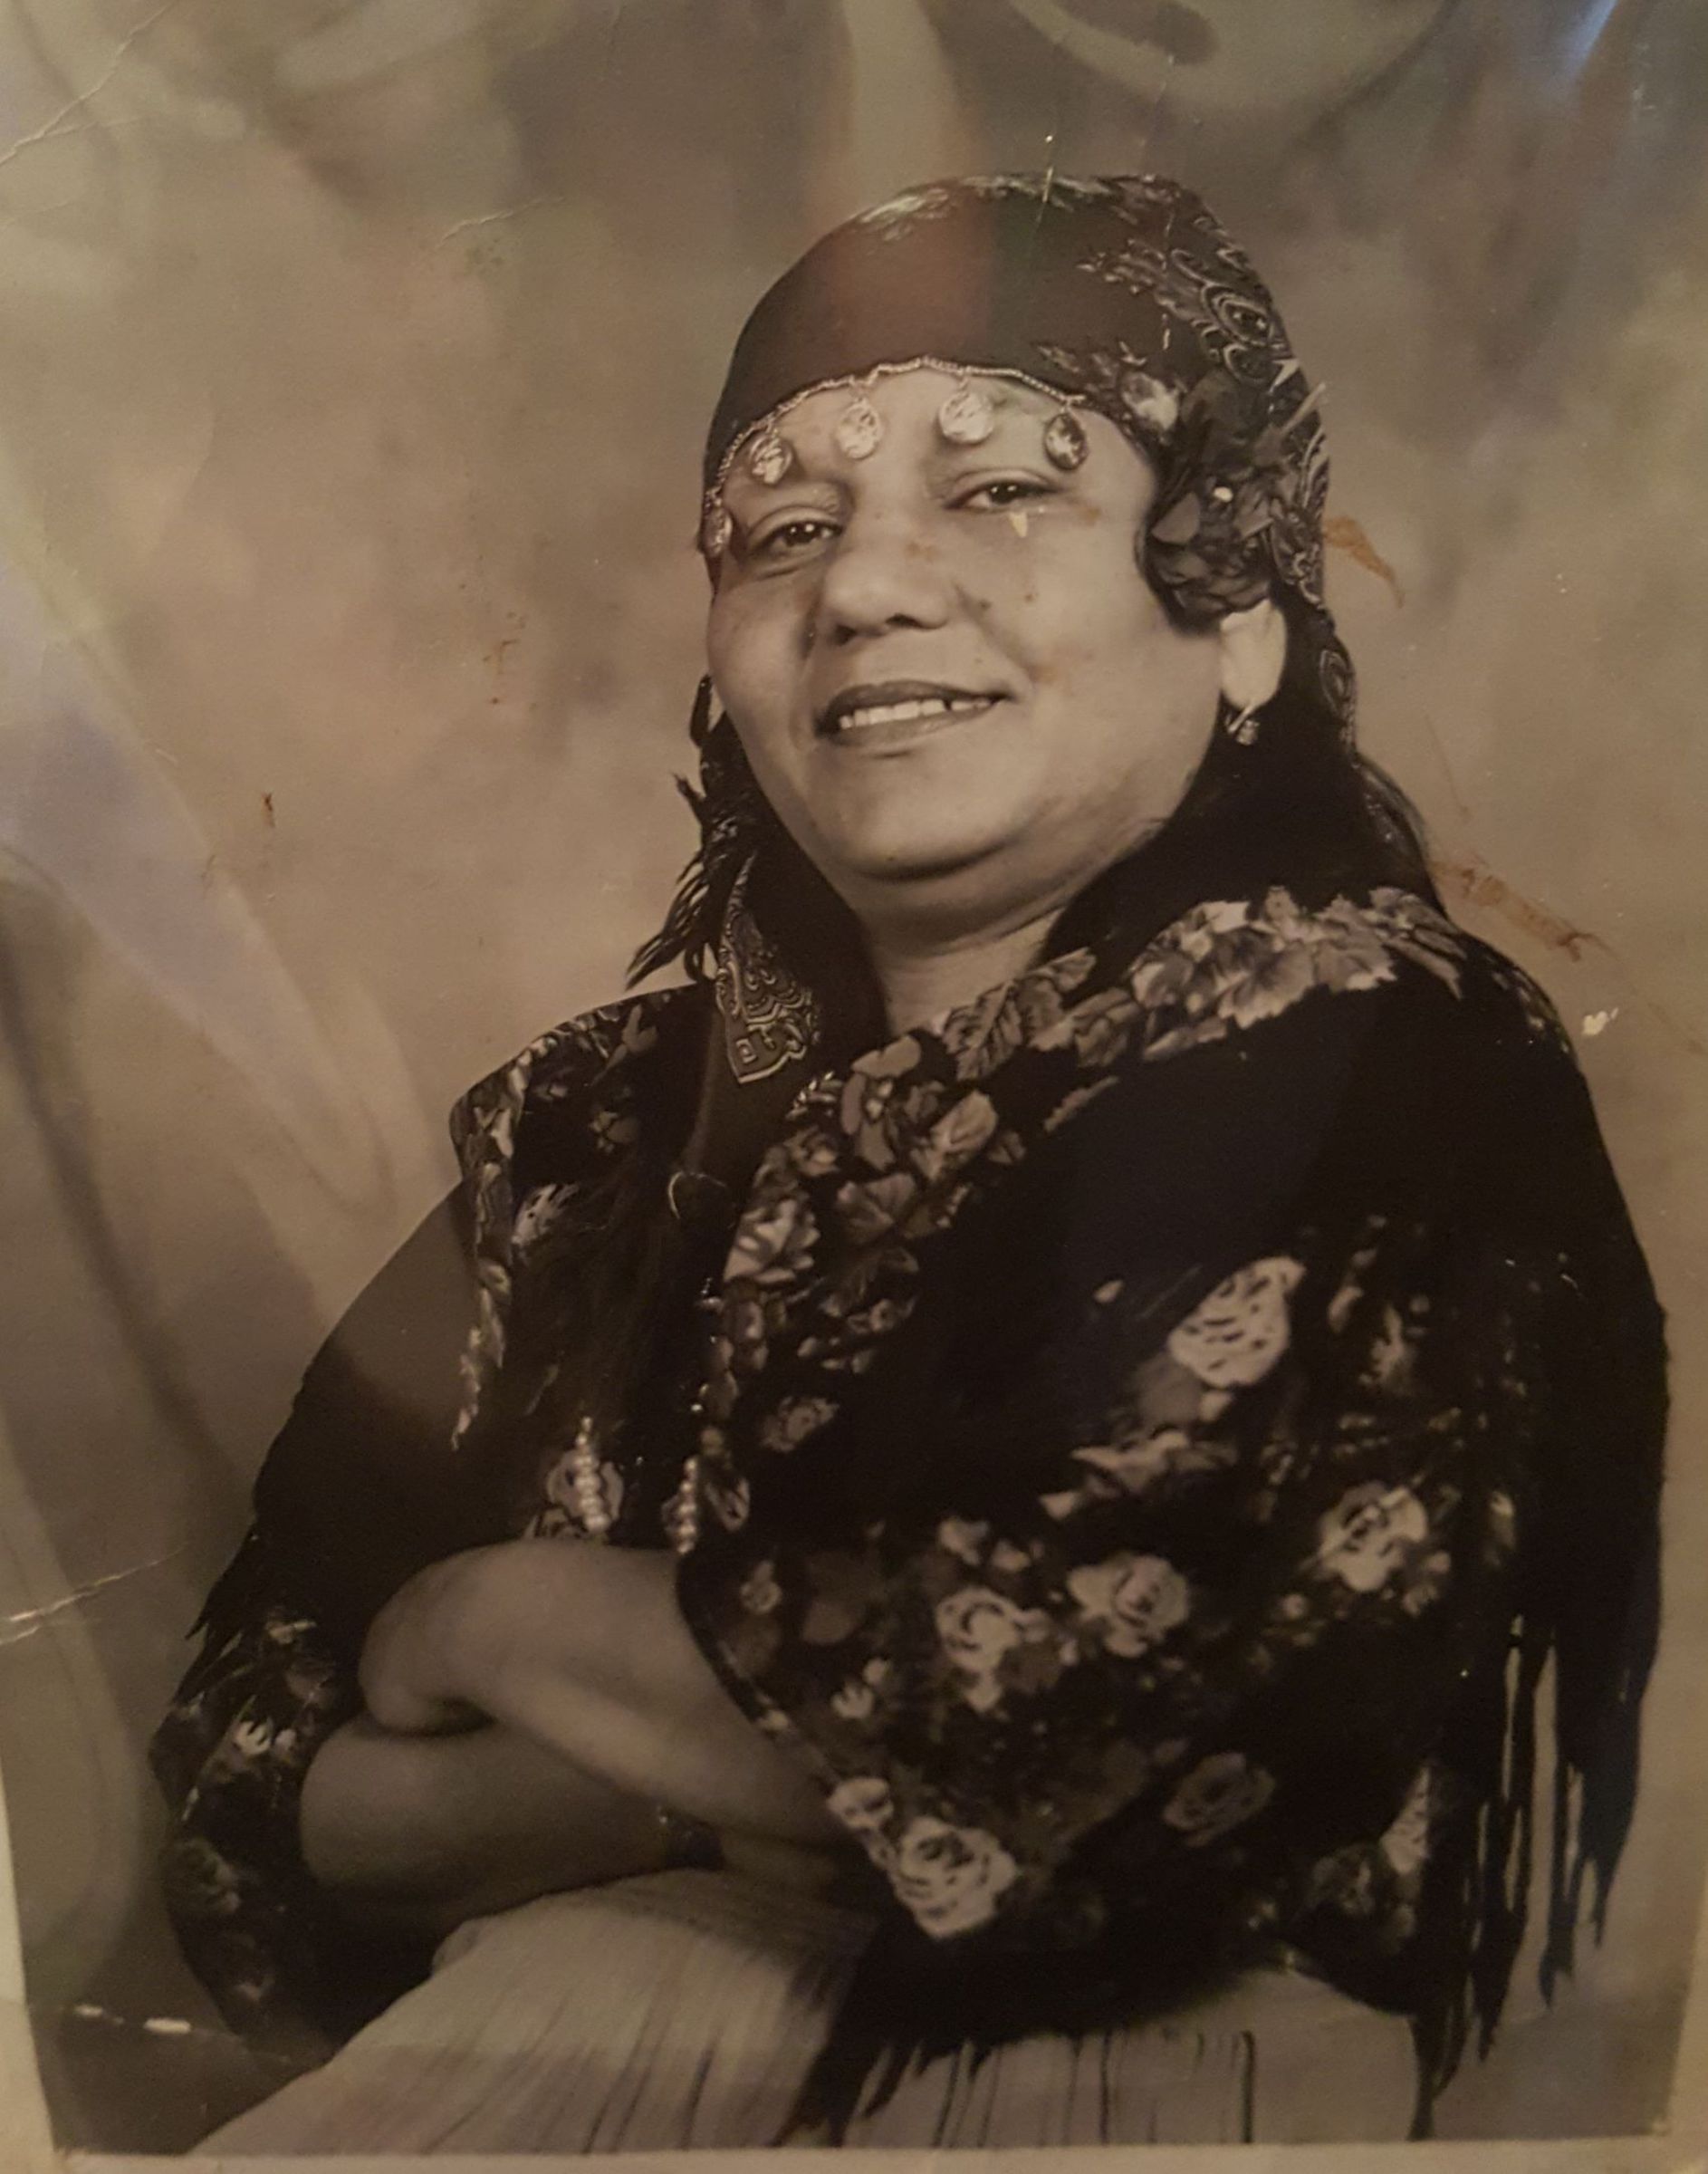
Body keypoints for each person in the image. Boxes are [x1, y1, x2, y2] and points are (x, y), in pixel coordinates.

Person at [150, 173, 1665, 2152]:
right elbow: (255, 1782)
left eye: (1002, 488)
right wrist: (718, 1788)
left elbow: (1072, 1733)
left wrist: (480, 1623)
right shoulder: (584, 1130)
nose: (862, 589)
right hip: (520, 2072)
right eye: (785, 528)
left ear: (1238, 627)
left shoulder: (1378, 1042)